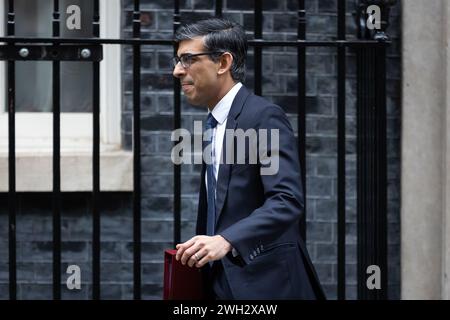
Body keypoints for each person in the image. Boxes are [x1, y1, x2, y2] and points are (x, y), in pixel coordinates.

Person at [172, 17, 325, 300]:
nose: (177, 70)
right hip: (219, 280)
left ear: (223, 63)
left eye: (188, 59)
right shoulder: (214, 122)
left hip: (266, 283)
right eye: (178, 60)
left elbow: (286, 199)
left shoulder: (263, 117)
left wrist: (227, 240)